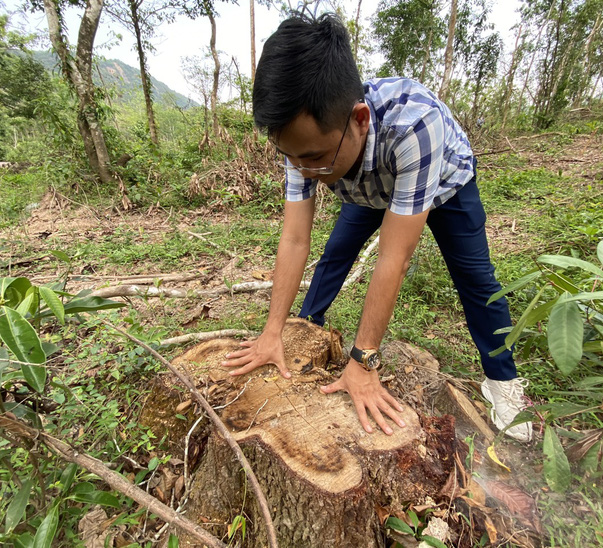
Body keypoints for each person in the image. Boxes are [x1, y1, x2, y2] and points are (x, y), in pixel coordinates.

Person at [221, 12, 532, 442]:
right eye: (291, 158)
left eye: (312, 159)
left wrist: (363, 361)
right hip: (367, 184)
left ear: (360, 120)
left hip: (443, 184)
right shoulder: (305, 143)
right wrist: (271, 331)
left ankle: (503, 382)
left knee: (477, 281)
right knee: (335, 255)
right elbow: (295, 238)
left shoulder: (415, 125)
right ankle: (305, 329)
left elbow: (394, 257)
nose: (302, 170)